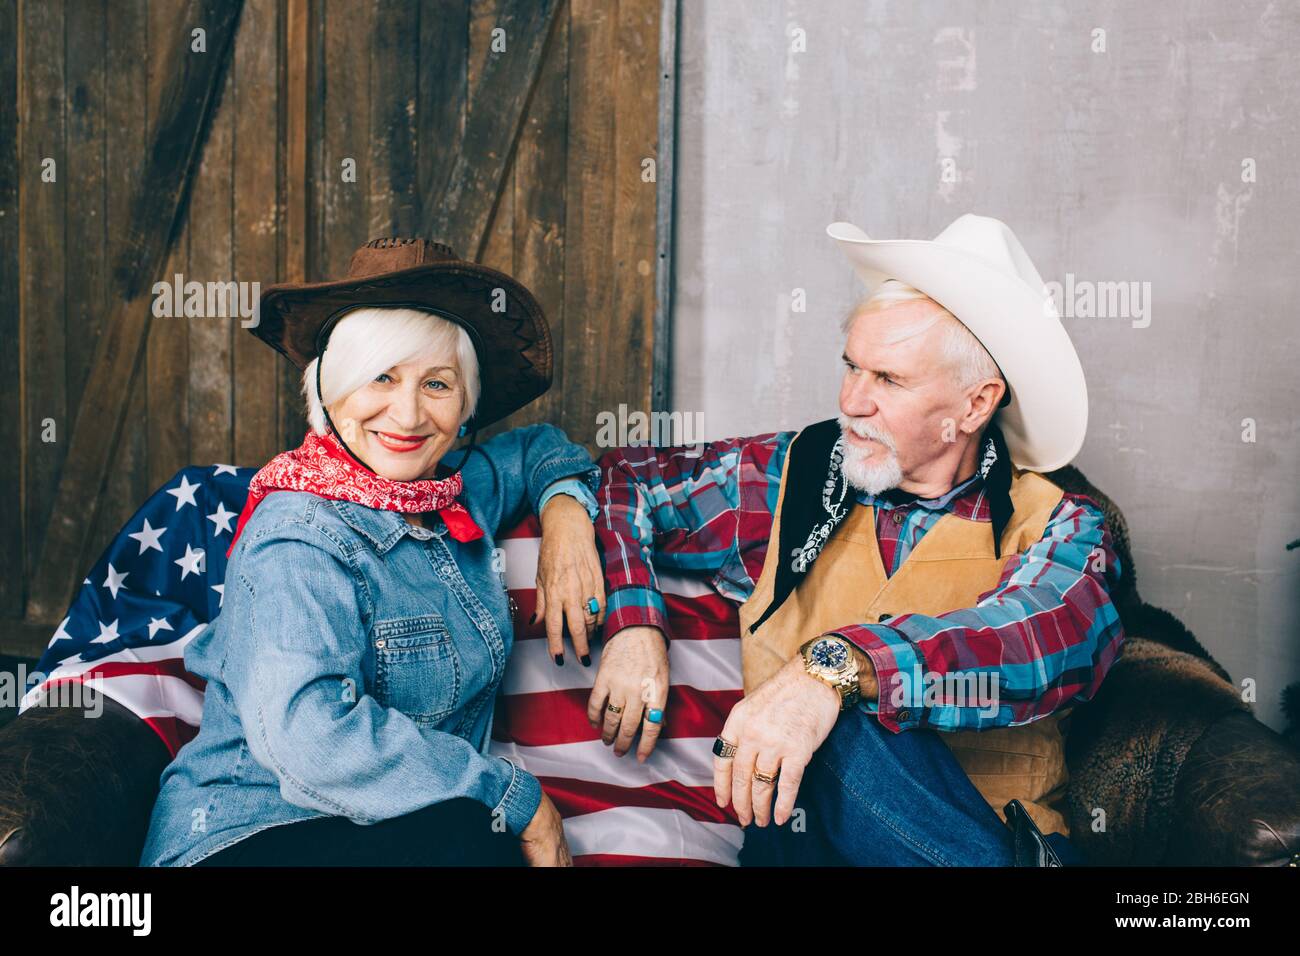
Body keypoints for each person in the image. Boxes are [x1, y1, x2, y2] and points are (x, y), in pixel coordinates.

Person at [588, 214, 1126, 865]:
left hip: (964, 845)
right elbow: (626, 480)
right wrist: (633, 623)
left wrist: (833, 670)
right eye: (851, 367)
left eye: (889, 380)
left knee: (841, 721)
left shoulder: (1061, 521)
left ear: (975, 406)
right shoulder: (787, 477)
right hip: (797, 848)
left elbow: (1046, 640)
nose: (852, 400)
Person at [140, 238, 604, 867]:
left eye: (437, 384)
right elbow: (311, 739)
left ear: (465, 407)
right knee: (474, 836)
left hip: (385, 833)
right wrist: (511, 795)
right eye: (381, 375)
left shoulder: (448, 492)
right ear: (331, 390)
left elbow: (540, 449)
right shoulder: (297, 534)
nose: (408, 414)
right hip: (250, 833)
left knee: (469, 836)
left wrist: (567, 516)